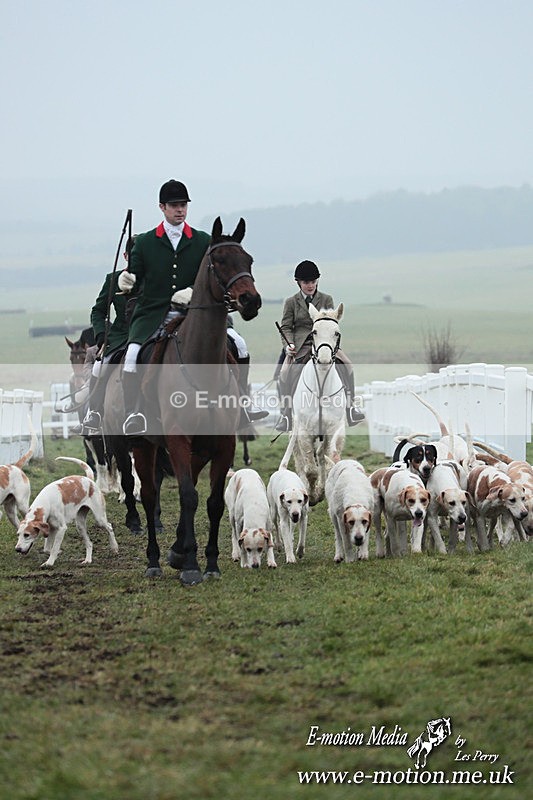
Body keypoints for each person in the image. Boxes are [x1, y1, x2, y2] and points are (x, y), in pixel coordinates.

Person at [118, 179, 267, 435]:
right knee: (131, 357)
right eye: (174, 205)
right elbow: (137, 280)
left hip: (197, 313)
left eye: (183, 205)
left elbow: (212, 276)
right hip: (154, 313)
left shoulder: (202, 241)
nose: (180, 210)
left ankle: (242, 402)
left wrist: (193, 293)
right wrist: (127, 280)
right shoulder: (144, 242)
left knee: (239, 346)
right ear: (162, 207)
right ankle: (136, 412)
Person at [274, 259, 365, 432]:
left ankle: (351, 408)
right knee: (285, 373)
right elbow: (286, 326)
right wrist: (289, 344)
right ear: (299, 283)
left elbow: (332, 323)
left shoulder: (326, 299)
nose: (310, 285)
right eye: (306, 282)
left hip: (325, 343)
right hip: (300, 345)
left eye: (313, 282)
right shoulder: (291, 302)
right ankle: (285, 414)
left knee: (348, 365)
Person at [81, 236, 138, 434]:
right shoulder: (112, 279)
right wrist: (101, 337)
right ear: (125, 256)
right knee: (99, 367)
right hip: (120, 336)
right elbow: (98, 311)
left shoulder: (155, 278)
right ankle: (94, 413)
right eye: (133, 256)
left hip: (149, 333)